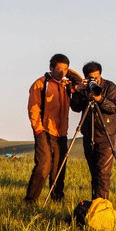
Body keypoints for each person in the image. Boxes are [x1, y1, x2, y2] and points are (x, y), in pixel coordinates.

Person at [25, 53, 80, 204]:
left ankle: (57, 199)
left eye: (65, 69)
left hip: (61, 132)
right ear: (51, 68)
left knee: (59, 167)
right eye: (59, 68)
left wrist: (69, 73)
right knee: (44, 165)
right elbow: (33, 108)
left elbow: (80, 81)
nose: (62, 72)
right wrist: (38, 129)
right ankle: (30, 200)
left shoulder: (67, 85)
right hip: (43, 130)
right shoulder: (40, 84)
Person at [70, 61, 116, 200]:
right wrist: (78, 91)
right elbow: (75, 107)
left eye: (96, 77)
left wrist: (100, 99)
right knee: (94, 172)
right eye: (91, 78)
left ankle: (101, 205)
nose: (95, 80)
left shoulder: (110, 87)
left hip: (105, 135)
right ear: (86, 77)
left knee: (103, 173)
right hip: (88, 135)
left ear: (100, 75)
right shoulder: (83, 88)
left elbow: (114, 106)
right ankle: (95, 201)